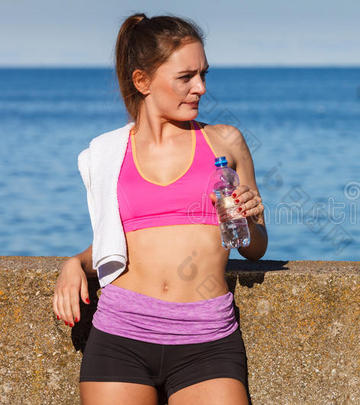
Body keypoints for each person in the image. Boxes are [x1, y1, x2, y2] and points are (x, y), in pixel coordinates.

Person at [52, 12, 267, 405]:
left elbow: (254, 248)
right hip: (120, 337)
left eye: (203, 74)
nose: (200, 87)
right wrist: (76, 264)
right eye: (186, 77)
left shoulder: (225, 143)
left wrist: (252, 217)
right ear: (142, 81)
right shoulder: (109, 153)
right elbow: (117, 242)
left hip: (207, 341)